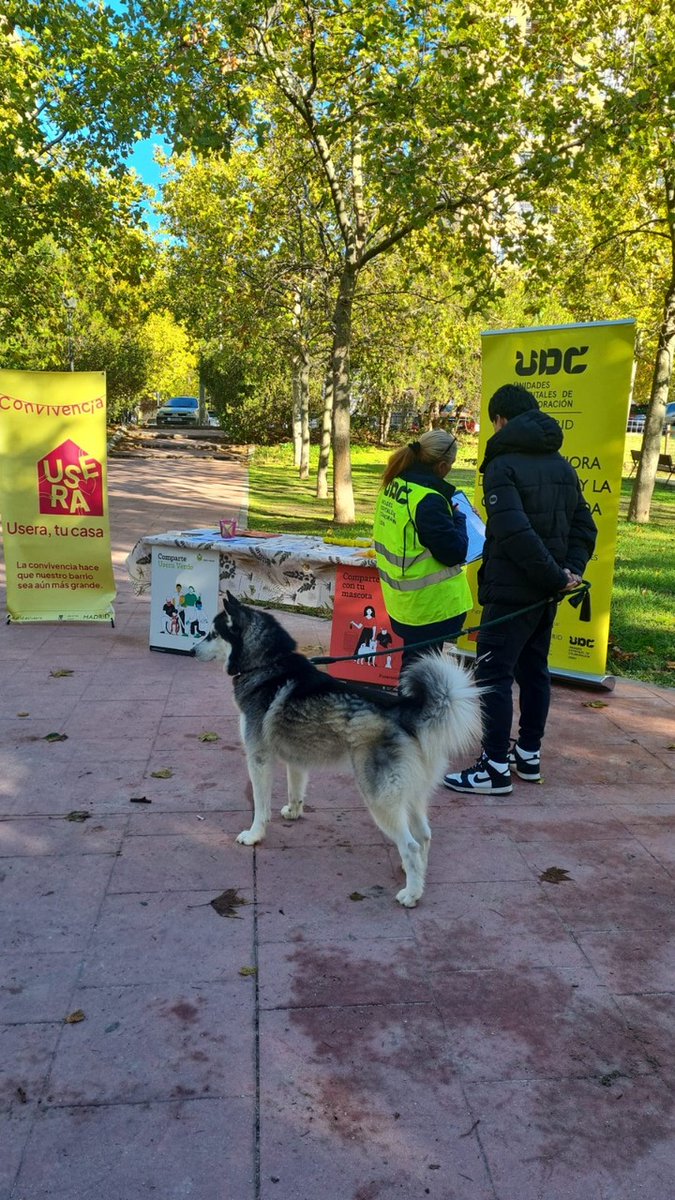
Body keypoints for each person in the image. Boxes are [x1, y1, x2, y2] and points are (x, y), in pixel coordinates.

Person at [444, 384, 597, 796]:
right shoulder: (562, 466)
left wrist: (555, 575)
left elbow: (513, 532)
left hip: (513, 594)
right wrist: (569, 572)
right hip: (546, 593)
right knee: (534, 672)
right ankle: (527, 755)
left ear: (500, 420)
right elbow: (586, 528)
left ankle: (493, 767)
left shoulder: (503, 465)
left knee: (493, 673)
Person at [373, 429, 472, 669]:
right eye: (451, 465)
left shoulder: (394, 483)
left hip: (403, 601)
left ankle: (412, 705)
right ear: (441, 466)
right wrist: (460, 519)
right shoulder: (429, 500)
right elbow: (454, 552)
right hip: (430, 606)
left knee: (415, 670)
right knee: (420, 676)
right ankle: (414, 707)